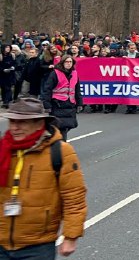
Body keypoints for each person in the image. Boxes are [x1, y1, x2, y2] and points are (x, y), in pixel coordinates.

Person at [0, 98, 87, 258]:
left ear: (39, 124)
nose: (14, 127)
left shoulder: (60, 151)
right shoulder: (3, 149)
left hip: (37, 246)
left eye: (22, 122)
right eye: (12, 121)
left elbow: (74, 198)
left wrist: (70, 236)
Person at [40, 56, 81, 141]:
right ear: (62, 63)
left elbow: (77, 90)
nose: (69, 63)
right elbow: (47, 89)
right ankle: (59, 144)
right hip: (57, 104)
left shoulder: (74, 73)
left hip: (70, 104)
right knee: (60, 127)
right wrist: (46, 104)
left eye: (70, 62)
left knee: (68, 125)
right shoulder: (55, 73)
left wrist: (80, 103)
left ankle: (57, 141)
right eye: (66, 62)